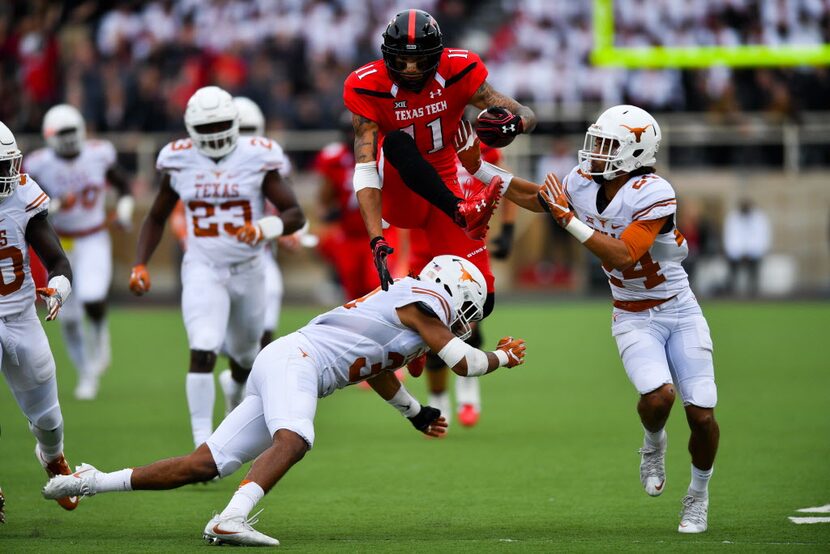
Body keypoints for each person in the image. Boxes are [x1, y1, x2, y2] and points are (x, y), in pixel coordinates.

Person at [43, 254, 527, 546]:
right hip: (298, 360)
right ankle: (230, 519)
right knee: (295, 438)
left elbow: (379, 371)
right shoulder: (423, 299)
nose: (463, 318)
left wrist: (415, 412)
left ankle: (88, 482)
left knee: (205, 464)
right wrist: (502, 357)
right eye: (466, 308)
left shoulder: (410, 308)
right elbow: (465, 363)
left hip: (288, 362)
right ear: (452, 292)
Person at [455, 105, 720, 533]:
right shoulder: (583, 182)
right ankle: (653, 443)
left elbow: (623, 253)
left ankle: (698, 494)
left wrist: (569, 221)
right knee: (658, 398)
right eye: (596, 142)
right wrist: (478, 168)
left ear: (637, 151)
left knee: (703, 414)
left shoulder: (654, 191)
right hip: (633, 316)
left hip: (679, 309)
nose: (595, 152)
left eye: (607, 145)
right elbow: (532, 196)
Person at [128, 86, 306, 448]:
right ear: (190, 128)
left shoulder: (257, 155)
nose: (212, 134)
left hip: (250, 267)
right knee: (204, 345)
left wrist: (261, 228)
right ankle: (202, 442)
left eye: (220, 125)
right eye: (204, 128)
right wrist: (140, 263)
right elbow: (156, 215)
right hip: (203, 265)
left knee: (245, 356)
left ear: (235, 123)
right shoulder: (178, 159)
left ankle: (235, 392)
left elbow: (295, 214)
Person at [343, 8, 536, 320]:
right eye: (401, 59)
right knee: (395, 142)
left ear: (437, 55)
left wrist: (516, 124)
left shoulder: (459, 69)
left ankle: (418, 339)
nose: (409, 68)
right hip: (399, 189)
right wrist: (377, 236)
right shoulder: (366, 84)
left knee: (480, 300)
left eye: (419, 60)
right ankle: (461, 210)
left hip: (445, 188)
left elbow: (526, 113)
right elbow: (365, 168)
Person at [24, 104, 134, 400]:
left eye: (73, 131)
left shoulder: (98, 153)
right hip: (59, 242)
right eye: (64, 133)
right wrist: (53, 205)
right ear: (49, 135)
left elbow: (124, 185)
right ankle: (86, 373)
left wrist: (124, 211)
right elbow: (30, 199)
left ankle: (100, 335)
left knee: (93, 295)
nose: (70, 138)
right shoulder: (40, 163)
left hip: (93, 237)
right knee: (68, 316)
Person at [0, 120, 79, 512]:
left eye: (7, 165)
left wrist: (59, 288)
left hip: (19, 315)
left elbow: (58, 260)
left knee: (48, 417)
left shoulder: (22, 194)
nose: (7, 176)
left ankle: (51, 456)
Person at [407, 142, 511, 428]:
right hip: (424, 249)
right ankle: (438, 401)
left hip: (464, 245)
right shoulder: (417, 145)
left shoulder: (481, 148)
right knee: (428, 335)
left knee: (469, 321)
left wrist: (509, 229)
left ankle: (468, 392)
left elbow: (505, 185)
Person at [722, 198, 770, 296]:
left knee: (753, 273)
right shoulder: (733, 217)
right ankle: (731, 293)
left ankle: (753, 293)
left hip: (754, 253)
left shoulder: (759, 218)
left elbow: (762, 236)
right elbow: (729, 236)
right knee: (732, 273)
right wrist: (738, 252)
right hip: (735, 253)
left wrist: (751, 251)